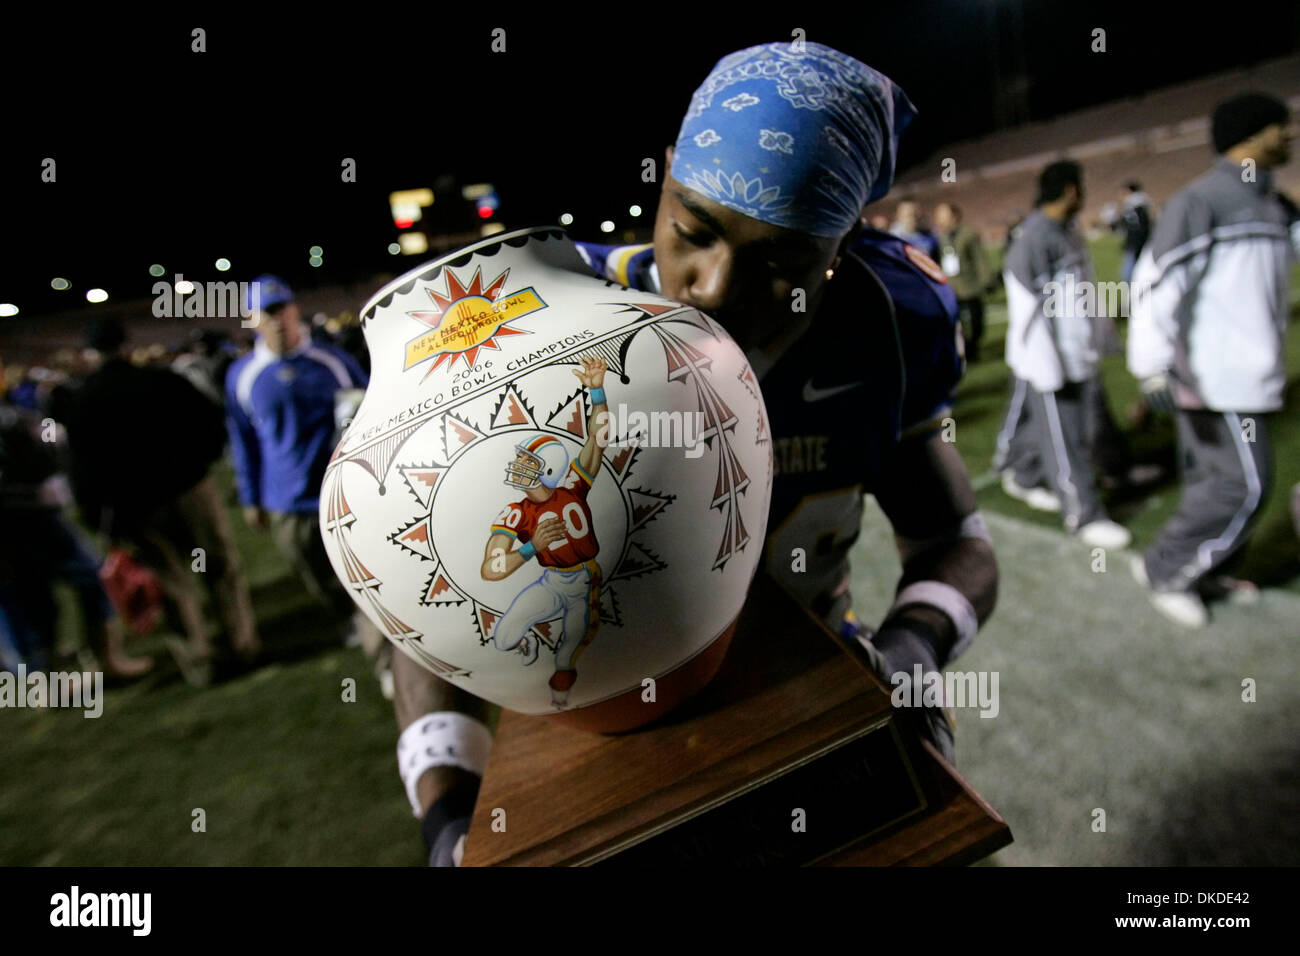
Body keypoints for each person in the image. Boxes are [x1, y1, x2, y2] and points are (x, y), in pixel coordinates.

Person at [394, 41, 999, 866]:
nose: (713, 285)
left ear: (841, 247)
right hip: (594, 729)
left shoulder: (887, 322)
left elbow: (953, 540)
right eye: (694, 230)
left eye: (781, 261)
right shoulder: (548, 331)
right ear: (666, 174)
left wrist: (913, 653)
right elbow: (425, 603)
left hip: (814, 688)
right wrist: (446, 817)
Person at [1128, 92, 1294, 627]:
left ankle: (1202, 568)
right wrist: (1150, 363)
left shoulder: (1274, 203)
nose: (1289, 134)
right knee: (1245, 486)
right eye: (1278, 126)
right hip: (1215, 379)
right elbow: (1157, 283)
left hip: (1248, 375)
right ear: (1248, 134)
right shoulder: (1202, 200)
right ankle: (1166, 572)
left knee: (1212, 484)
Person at [60, 318, 259, 684]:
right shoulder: (162, 380)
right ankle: (240, 644)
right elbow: (210, 422)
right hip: (189, 490)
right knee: (218, 569)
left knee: (170, 585)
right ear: (126, 345)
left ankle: (199, 662)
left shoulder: (84, 400)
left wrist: (100, 520)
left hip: (138, 509)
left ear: (92, 354)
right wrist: (200, 462)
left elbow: (82, 472)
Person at [225, 276, 389, 685]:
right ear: (253, 320)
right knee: (316, 574)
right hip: (287, 501)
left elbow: (372, 412)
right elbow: (243, 441)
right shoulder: (243, 376)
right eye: (269, 311)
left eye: (284, 308)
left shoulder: (332, 361)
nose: (280, 319)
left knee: (367, 578)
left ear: (295, 309)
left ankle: (384, 657)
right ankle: (348, 618)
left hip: (345, 493)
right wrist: (250, 496)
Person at [1000, 160, 1131, 549]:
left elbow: (1083, 291)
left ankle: (1025, 475)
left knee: (1086, 428)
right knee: (1065, 438)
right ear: (1072, 190)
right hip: (1054, 362)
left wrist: (1101, 337)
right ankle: (1083, 515)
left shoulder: (1068, 232)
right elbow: (1026, 312)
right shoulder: (1033, 239)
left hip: (1079, 354)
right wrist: (1047, 367)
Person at [933, 202, 994, 362]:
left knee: (976, 320)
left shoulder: (968, 234)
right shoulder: (937, 238)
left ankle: (974, 347)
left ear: (954, 217)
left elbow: (980, 260)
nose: (941, 220)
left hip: (969, 286)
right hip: (950, 288)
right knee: (956, 324)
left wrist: (986, 281)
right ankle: (963, 351)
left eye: (944, 216)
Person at [1113, 181, 1154, 284]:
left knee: (1129, 275)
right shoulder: (1143, 205)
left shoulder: (1133, 207)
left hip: (1135, 245)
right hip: (1142, 243)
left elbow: (1135, 227)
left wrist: (1131, 243)